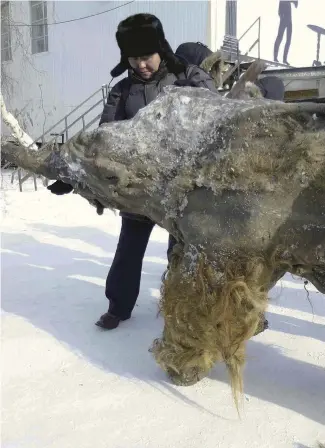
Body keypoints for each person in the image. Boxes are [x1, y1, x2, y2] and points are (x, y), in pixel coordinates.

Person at [61, 13, 216, 330]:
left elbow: (213, 114)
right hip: (139, 186)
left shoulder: (186, 77)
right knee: (129, 249)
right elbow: (104, 137)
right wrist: (72, 174)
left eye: (146, 56)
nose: (141, 64)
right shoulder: (122, 90)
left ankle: (179, 307)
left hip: (180, 188)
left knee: (181, 252)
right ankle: (118, 306)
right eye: (134, 58)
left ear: (161, 50)